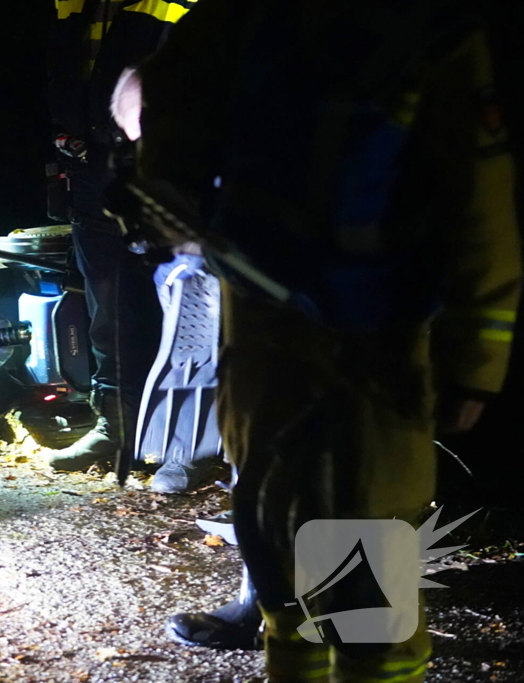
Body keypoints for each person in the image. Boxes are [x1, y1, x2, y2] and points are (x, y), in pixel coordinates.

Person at [138, 1, 522, 681]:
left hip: (372, 351)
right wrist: (168, 180)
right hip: (262, 334)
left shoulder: (429, 28)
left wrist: (476, 358)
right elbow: (169, 99)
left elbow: (479, 198)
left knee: (365, 587)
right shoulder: (245, 18)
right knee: (278, 559)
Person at [46, 0, 202, 487]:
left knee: (188, 314)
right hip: (93, 166)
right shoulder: (75, 3)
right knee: (107, 308)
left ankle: (189, 443)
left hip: (165, 166)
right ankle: (118, 428)